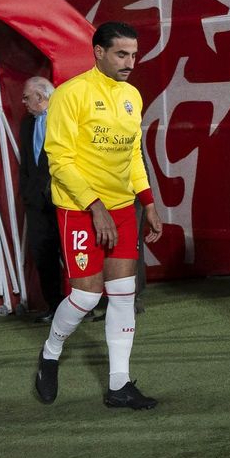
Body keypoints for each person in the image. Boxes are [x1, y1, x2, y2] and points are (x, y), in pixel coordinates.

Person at [33, 21, 165, 409]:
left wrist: (149, 203)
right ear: (99, 53)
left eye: (134, 55)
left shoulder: (132, 96)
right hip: (80, 209)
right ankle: (51, 352)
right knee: (87, 297)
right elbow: (59, 160)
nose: (130, 62)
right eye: (121, 54)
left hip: (123, 209)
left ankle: (119, 384)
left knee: (123, 295)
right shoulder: (71, 95)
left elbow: (132, 155)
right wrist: (95, 207)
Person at [18, 76, 63, 322]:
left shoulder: (62, 116)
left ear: (40, 96)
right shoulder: (26, 124)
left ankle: (83, 306)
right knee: (43, 254)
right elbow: (26, 163)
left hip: (62, 198)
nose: (23, 101)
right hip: (36, 203)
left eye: (27, 97)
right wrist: (26, 193)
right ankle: (54, 306)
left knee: (72, 253)